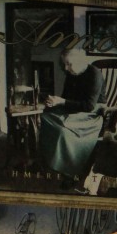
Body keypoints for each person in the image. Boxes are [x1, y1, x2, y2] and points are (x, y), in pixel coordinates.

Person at [37, 47, 104, 185]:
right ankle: (48, 160)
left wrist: (62, 101)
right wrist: (53, 102)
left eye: (69, 64)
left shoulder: (95, 74)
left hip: (91, 114)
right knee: (44, 117)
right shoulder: (72, 73)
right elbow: (66, 97)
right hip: (74, 110)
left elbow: (89, 106)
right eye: (64, 64)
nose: (66, 68)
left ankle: (70, 172)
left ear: (80, 61)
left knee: (63, 129)